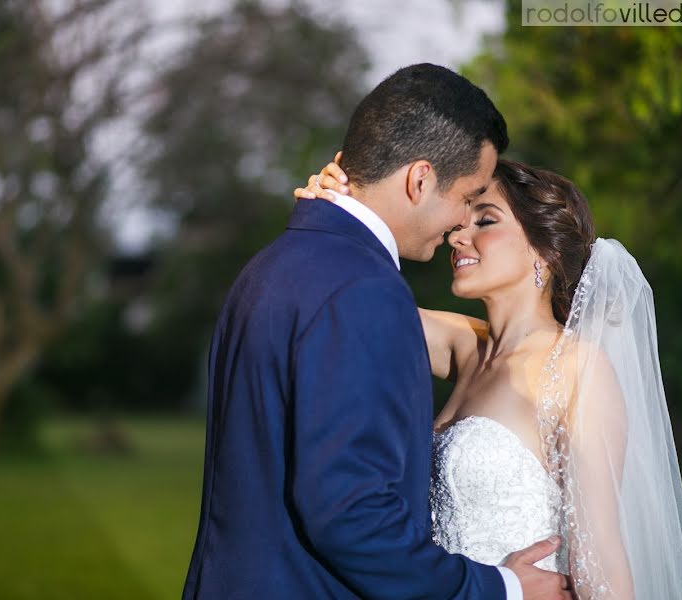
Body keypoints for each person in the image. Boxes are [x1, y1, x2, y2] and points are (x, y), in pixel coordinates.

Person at [183, 64, 571, 599]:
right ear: (419, 180)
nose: (460, 224)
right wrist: (499, 588)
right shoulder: (364, 291)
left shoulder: (272, 268)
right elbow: (352, 515)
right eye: (468, 197)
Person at [296, 156, 682, 599]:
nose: (457, 236)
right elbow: (346, 297)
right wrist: (340, 205)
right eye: (459, 222)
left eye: (484, 221)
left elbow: (600, 553)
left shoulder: (575, 368)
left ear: (544, 250)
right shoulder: (465, 347)